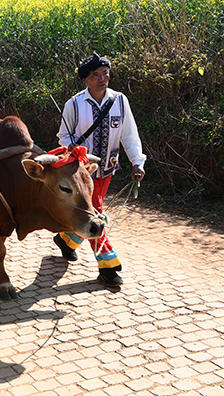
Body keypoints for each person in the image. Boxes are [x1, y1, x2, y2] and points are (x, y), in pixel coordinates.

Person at [53, 52, 146, 287]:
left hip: (107, 170)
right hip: (83, 175)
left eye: (105, 73)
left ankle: (67, 240)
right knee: (95, 214)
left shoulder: (120, 101)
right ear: (86, 79)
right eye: (95, 75)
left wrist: (137, 162)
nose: (102, 78)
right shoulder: (74, 104)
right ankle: (109, 266)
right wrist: (70, 147)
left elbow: (129, 134)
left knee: (93, 210)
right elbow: (63, 137)